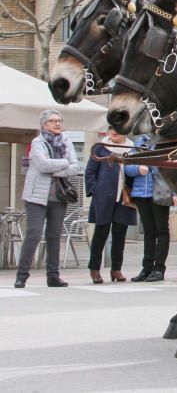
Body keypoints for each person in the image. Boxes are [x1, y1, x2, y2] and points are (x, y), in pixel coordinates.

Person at [14, 110, 82, 288]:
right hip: (36, 196)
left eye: (59, 120)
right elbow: (42, 165)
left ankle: (53, 276)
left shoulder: (66, 141)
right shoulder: (38, 142)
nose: (57, 124)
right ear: (44, 124)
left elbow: (76, 167)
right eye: (53, 121)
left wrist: (56, 169)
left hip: (59, 196)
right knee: (34, 234)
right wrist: (64, 163)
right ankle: (21, 275)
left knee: (54, 236)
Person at [85, 131, 138, 283]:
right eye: (112, 128)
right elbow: (90, 172)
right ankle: (94, 269)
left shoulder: (132, 149)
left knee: (120, 235)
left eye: (118, 129)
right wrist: (95, 189)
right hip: (104, 197)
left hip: (124, 197)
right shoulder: (101, 148)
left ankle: (116, 269)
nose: (114, 131)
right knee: (100, 233)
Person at [125, 133, 170, 282]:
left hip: (160, 191)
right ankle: (147, 268)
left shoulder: (166, 141)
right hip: (141, 193)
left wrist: (149, 165)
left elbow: (168, 167)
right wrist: (138, 169)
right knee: (149, 232)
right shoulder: (140, 143)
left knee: (161, 230)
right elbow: (128, 167)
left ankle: (159, 269)